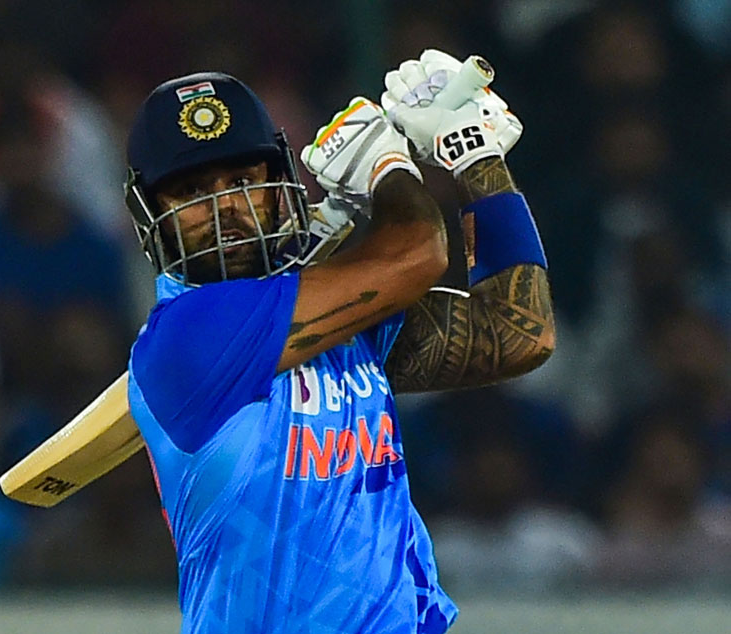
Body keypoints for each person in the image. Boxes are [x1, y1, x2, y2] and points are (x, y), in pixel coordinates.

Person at [124, 50, 555, 633]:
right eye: (192, 191)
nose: (225, 208)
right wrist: (385, 168)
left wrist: (475, 157)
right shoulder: (186, 335)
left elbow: (518, 332)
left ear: (279, 185)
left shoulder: (337, 315)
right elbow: (420, 253)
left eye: (243, 182)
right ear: (150, 213)